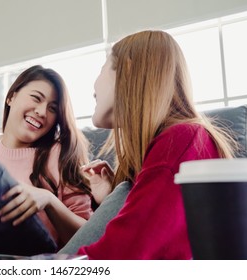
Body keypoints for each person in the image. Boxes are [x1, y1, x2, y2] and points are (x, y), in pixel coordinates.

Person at [77, 30, 237, 259]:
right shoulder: (180, 141)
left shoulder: (181, 140)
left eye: (102, 68)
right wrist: (114, 199)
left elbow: (121, 255)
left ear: (127, 71)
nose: (93, 90)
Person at [0, 65, 93, 248]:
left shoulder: (61, 155)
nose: (42, 112)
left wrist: (49, 200)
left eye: (52, 108)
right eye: (36, 98)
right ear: (11, 97)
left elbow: (90, 236)